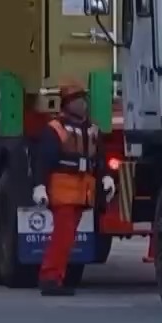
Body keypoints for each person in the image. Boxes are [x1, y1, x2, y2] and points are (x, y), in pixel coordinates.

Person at [28, 81, 115, 296]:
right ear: (66, 104)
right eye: (76, 100)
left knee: (67, 238)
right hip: (63, 192)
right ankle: (50, 278)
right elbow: (43, 161)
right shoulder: (55, 130)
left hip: (82, 193)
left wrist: (106, 177)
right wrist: (40, 186)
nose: (81, 104)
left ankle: (55, 277)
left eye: (83, 99)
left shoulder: (92, 129)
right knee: (63, 237)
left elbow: (100, 158)